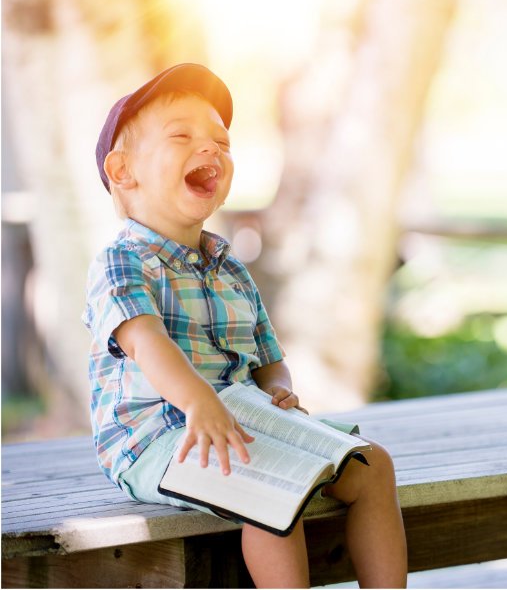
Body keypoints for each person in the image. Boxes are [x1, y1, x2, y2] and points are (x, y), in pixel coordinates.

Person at [83, 63, 407, 588]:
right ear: (123, 171)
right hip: (156, 438)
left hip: (240, 416)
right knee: (275, 489)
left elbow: (267, 356)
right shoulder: (122, 261)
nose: (211, 148)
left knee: (373, 467)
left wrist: (279, 389)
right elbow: (146, 340)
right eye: (182, 136)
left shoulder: (229, 265)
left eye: (221, 141)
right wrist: (199, 401)